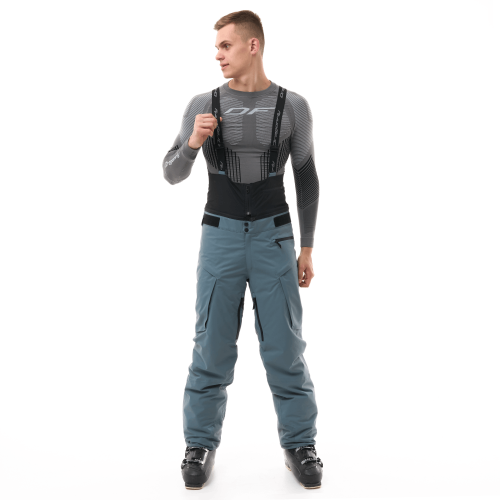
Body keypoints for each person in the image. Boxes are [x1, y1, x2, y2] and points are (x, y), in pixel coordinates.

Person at [162, 10, 323, 490]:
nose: (217, 55)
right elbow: (171, 172)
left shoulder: (293, 106)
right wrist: (193, 143)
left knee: (285, 346)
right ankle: (199, 444)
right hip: (221, 235)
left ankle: (300, 444)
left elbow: (307, 177)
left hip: (275, 235)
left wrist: (307, 248)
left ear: (253, 46)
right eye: (217, 47)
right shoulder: (202, 104)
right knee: (211, 344)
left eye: (225, 45)